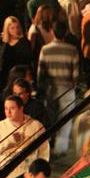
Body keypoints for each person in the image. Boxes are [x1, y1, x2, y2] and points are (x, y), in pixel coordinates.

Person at [0, 95, 50, 178]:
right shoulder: (0, 126)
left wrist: (40, 172)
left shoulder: (36, 126)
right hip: (8, 177)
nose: (8, 112)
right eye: (6, 108)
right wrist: (8, 142)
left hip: (30, 177)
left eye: (12, 108)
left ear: (21, 108)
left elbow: (44, 151)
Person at [36, 20, 78, 156]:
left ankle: (49, 144)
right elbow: (76, 73)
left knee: (51, 117)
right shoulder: (72, 50)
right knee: (66, 118)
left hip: (51, 89)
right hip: (67, 88)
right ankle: (61, 147)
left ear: (52, 32)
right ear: (65, 32)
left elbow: (40, 72)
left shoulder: (45, 49)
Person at [0, 17, 33, 83]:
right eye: (12, 28)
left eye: (17, 27)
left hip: (19, 77)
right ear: (7, 29)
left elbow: (29, 61)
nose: (16, 30)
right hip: (3, 76)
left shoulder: (24, 42)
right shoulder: (1, 40)